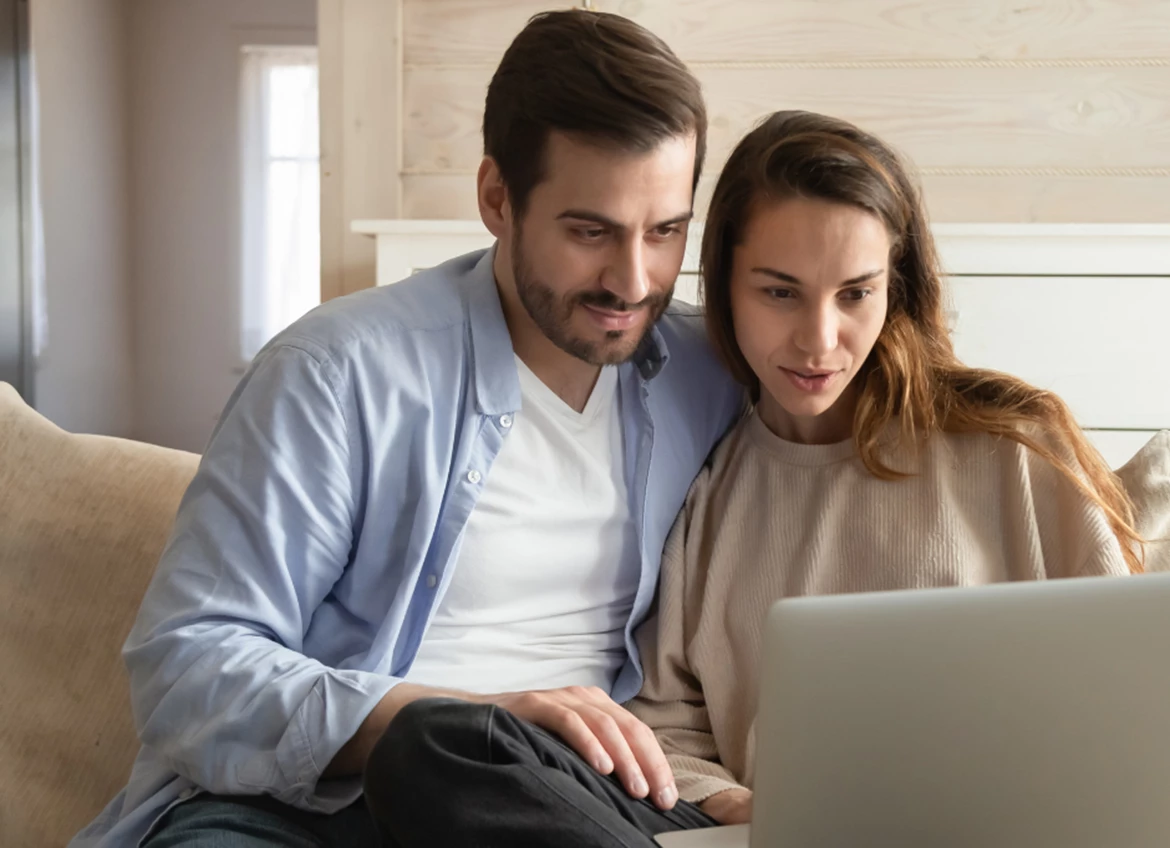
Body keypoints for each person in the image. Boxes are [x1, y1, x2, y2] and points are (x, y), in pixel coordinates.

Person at [363, 111, 1144, 846]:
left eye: (856, 294)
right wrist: (740, 804)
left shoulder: (1013, 449)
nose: (818, 340)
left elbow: (1130, 682)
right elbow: (669, 727)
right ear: (724, 286)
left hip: (1004, 831)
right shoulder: (708, 479)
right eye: (778, 292)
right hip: (760, 836)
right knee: (439, 747)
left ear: (896, 286)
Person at [71, 10, 744, 848]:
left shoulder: (707, 372)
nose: (633, 279)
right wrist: (454, 718)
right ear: (497, 198)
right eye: (589, 231)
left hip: (558, 806)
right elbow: (188, 667)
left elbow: (870, 398)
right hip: (313, 807)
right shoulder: (339, 370)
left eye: (666, 232)